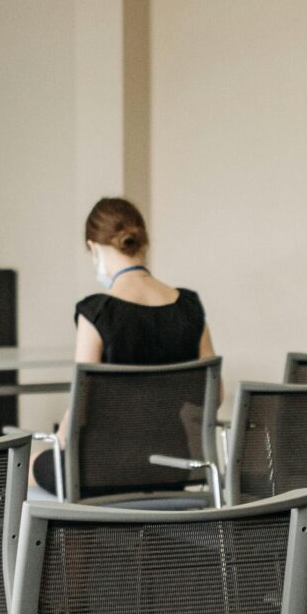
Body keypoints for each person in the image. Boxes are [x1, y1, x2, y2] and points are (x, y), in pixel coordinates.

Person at [34, 197, 216, 495]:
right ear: (141, 242)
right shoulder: (189, 307)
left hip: (102, 470)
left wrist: (59, 439)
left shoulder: (97, 313)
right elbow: (212, 395)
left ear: (94, 248)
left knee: (29, 466)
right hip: (171, 466)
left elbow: (80, 408)